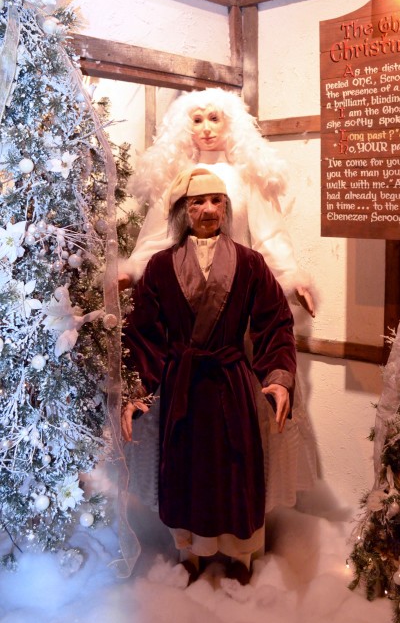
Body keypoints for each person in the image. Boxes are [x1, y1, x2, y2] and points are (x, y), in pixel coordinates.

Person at [121, 87, 317, 518]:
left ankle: (243, 518)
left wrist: (291, 277)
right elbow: (155, 240)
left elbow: (270, 235)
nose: (207, 129)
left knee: (241, 422)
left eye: (215, 118)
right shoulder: (177, 181)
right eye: (197, 120)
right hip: (185, 310)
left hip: (236, 309)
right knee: (187, 430)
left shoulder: (244, 179)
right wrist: (131, 270)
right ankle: (189, 521)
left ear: (233, 124)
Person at [121, 168, 297, 584]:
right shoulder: (161, 266)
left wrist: (277, 377)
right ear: (182, 211)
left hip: (231, 383)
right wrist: (138, 390)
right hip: (183, 385)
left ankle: (242, 556)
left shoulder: (250, 262)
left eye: (217, 200)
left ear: (227, 207)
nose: (208, 209)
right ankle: (190, 554)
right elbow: (145, 334)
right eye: (197, 202)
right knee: (187, 471)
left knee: (237, 467)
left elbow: (274, 322)